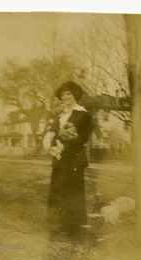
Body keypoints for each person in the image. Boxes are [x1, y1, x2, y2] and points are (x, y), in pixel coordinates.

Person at [46, 81, 93, 239]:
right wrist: (54, 145)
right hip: (60, 158)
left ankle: (73, 226)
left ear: (75, 96)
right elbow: (55, 134)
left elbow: (83, 138)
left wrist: (66, 147)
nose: (65, 97)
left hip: (74, 158)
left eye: (68, 94)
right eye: (63, 95)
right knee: (59, 190)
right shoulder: (61, 115)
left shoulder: (83, 114)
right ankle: (61, 223)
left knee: (73, 192)